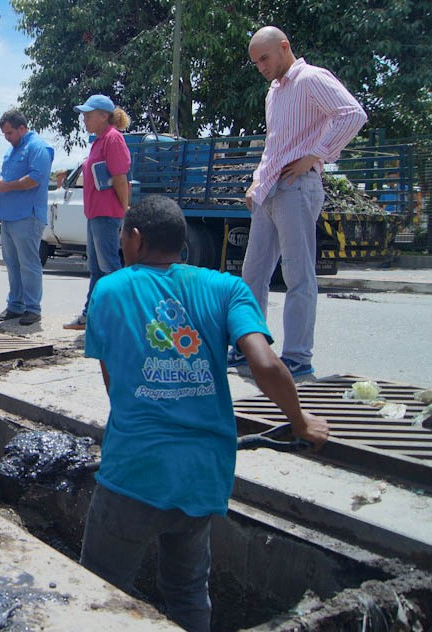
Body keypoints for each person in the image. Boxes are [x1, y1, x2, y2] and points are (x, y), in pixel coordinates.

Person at [81, 194, 329, 632]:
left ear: (135, 239)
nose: (120, 242)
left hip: (134, 473)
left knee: (98, 590)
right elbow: (267, 364)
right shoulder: (227, 288)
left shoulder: (109, 289)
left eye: (122, 234)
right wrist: (300, 421)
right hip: (203, 476)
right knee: (188, 591)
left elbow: (114, 382)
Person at [231, 26, 367, 376]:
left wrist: (317, 154)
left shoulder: (309, 78)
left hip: (297, 185)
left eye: (264, 58)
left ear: (284, 47)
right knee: (253, 273)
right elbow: (275, 143)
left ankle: (297, 356)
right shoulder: (274, 92)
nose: (260, 66)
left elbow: (352, 114)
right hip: (270, 190)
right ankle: (250, 347)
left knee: (297, 274)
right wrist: (257, 182)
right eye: (255, 62)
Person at [64, 94, 132, 331]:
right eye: (84, 115)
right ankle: (90, 315)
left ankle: (122, 318)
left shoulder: (113, 139)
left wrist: (124, 210)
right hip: (95, 214)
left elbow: (121, 178)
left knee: (109, 267)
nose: (85, 120)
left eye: (89, 115)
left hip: (106, 213)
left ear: (104, 116)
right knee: (96, 268)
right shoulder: (99, 140)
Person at [0, 109, 54, 326]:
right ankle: (15, 306)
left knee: (28, 264)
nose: (7, 138)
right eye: (5, 134)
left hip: (27, 216)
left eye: (10, 133)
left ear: (22, 128)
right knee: (13, 264)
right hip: (8, 216)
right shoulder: (12, 151)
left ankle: (33, 308)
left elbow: (35, 178)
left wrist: (6, 185)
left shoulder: (38, 148)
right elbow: (7, 177)